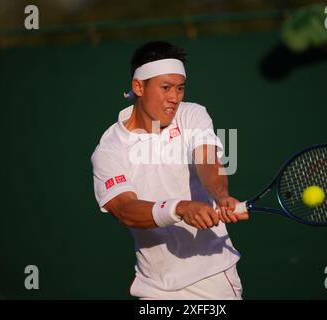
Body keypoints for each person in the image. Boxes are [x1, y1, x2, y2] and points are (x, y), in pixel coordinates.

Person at [91, 41, 249, 300]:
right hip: (154, 288)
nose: (174, 98)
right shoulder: (109, 150)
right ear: (138, 86)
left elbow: (208, 160)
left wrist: (221, 195)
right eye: (165, 88)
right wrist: (179, 208)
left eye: (180, 88)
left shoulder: (192, 115)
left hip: (212, 279)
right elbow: (125, 209)